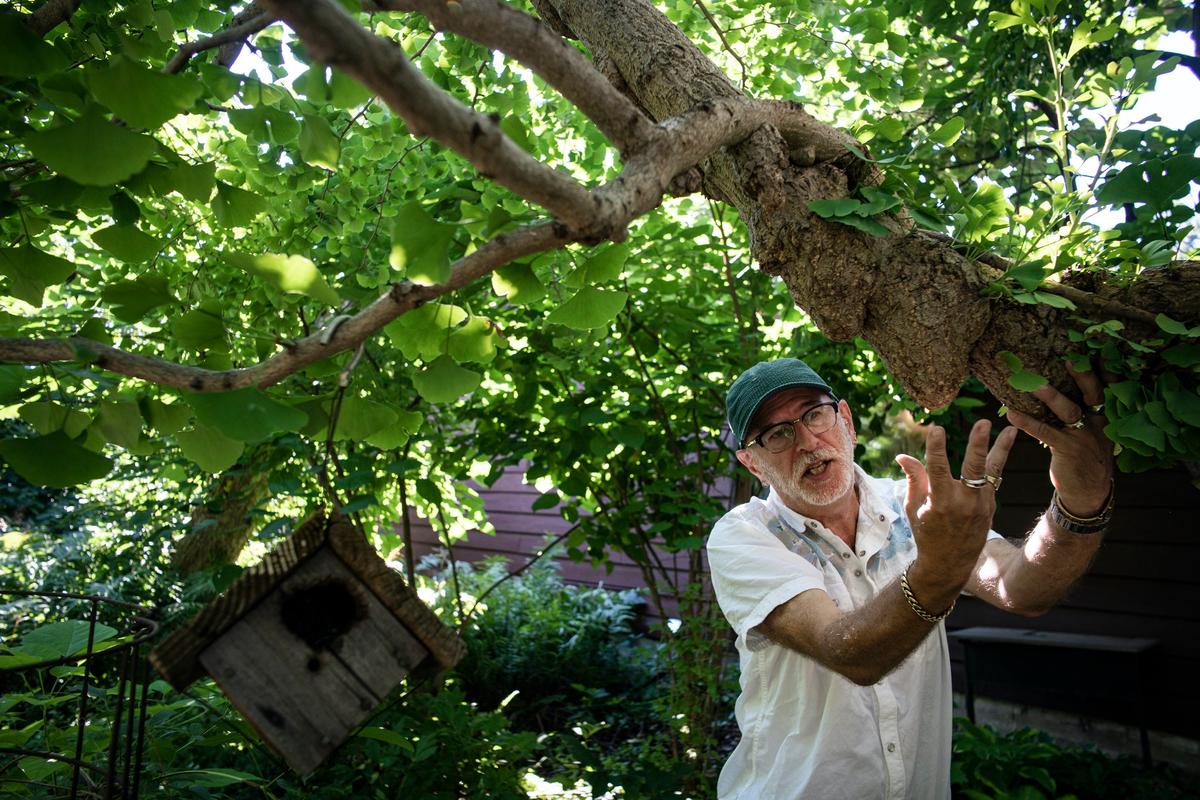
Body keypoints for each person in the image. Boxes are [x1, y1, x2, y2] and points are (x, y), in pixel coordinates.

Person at [707, 357, 1114, 800]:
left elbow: (1022, 588)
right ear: (752, 464)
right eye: (777, 433)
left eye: (814, 414)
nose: (807, 441)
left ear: (845, 420)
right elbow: (847, 652)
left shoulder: (912, 504)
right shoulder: (744, 535)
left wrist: (1082, 501)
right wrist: (939, 568)